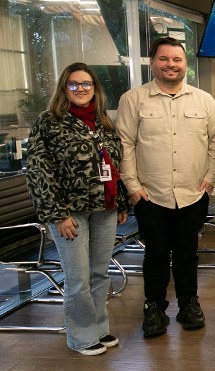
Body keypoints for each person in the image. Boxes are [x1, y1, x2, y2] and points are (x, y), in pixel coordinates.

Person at [116, 37, 215, 338]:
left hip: (193, 193)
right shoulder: (133, 99)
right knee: (157, 254)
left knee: (188, 253)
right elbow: (124, 144)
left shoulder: (204, 100)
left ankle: (189, 304)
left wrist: (210, 178)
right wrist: (133, 187)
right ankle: (155, 308)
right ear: (153, 63)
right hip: (151, 194)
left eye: (177, 59)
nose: (171, 65)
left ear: (185, 64)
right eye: (164, 59)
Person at [25, 62, 129, 355]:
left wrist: (120, 202)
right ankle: (82, 336)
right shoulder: (49, 122)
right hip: (70, 213)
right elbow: (38, 171)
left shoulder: (104, 122)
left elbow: (114, 166)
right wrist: (57, 214)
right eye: (74, 84)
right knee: (78, 278)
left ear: (95, 88)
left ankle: (99, 328)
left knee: (99, 273)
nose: (81, 89)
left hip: (105, 209)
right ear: (64, 88)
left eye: (86, 84)